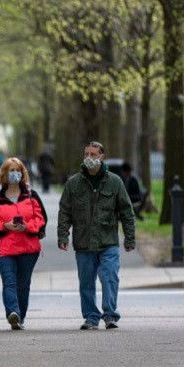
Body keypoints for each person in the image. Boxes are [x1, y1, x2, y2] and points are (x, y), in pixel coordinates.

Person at [57, 141, 135, 330]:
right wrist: (63, 236)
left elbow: (126, 211)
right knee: (86, 282)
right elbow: (65, 211)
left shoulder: (115, 182)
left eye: (93, 154)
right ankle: (91, 317)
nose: (89, 158)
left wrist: (129, 237)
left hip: (108, 240)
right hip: (83, 242)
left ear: (102, 157)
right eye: (86, 154)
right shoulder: (73, 183)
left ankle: (110, 315)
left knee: (109, 277)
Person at [0, 157, 47, 330]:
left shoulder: (32, 196)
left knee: (23, 284)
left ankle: (21, 316)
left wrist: (28, 227)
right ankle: (13, 312)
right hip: (4, 250)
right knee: (9, 282)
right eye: (11, 170)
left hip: (29, 248)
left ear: (22, 173)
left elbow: (41, 220)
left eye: (17, 170)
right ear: (4, 174)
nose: (14, 173)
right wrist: (5, 226)